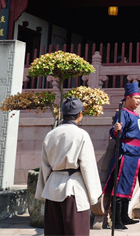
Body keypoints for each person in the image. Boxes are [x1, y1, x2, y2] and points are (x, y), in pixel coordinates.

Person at [36, 97, 102, 236]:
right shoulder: (81, 135)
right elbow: (87, 166)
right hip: (74, 190)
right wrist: (94, 196)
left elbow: (45, 166)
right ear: (80, 114)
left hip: (53, 189)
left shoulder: (51, 134)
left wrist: (44, 189)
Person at [103, 82, 140, 230]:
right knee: (120, 185)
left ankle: (124, 216)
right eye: (136, 98)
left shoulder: (136, 114)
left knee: (129, 185)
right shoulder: (123, 113)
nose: (138, 101)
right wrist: (116, 129)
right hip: (125, 153)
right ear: (128, 98)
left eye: (139, 98)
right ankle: (116, 219)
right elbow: (117, 131)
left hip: (135, 154)